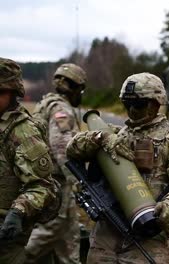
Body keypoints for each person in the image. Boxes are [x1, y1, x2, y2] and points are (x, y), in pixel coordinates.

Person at [66, 72, 169, 263]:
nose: (131, 110)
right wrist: (100, 138)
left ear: (156, 103)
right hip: (106, 233)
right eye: (127, 104)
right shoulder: (114, 135)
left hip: (147, 236)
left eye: (138, 105)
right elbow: (72, 149)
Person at [26, 63, 86, 263]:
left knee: (68, 234)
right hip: (57, 182)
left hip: (51, 179)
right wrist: (78, 181)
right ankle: (13, 258)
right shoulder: (61, 109)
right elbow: (62, 148)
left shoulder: (46, 104)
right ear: (76, 88)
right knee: (51, 228)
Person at [0, 57, 57, 264]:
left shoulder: (22, 132)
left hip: (7, 236)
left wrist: (18, 211)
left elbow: (42, 186)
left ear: (14, 92)